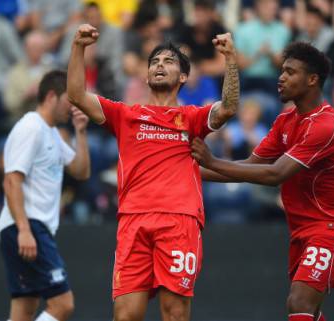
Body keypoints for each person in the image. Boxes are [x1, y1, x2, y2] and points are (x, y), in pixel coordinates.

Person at [67, 24, 239, 321]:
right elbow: (76, 95)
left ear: (183, 77)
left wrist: (231, 59)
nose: (160, 65)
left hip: (179, 221)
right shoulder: (125, 115)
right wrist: (78, 47)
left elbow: (228, 108)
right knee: (125, 316)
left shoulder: (192, 118)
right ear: (146, 76)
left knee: (173, 314)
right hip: (133, 221)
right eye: (155, 62)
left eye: (169, 62)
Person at [191, 42, 334, 321]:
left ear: (312, 80)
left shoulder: (325, 125)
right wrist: (187, 171)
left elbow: (275, 175)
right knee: (309, 309)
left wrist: (211, 162)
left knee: (299, 302)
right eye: (281, 70)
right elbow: (248, 167)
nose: (281, 77)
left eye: (290, 72)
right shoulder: (286, 119)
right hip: (303, 227)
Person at [0, 70, 90, 321]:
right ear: (51, 96)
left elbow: (81, 171)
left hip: (30, 227)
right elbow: (11, 180)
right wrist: (24, 229)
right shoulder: (31, 127)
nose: (72, 108)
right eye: (68, 101)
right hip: (28, 225)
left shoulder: (50, 132)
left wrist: (80, 132)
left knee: (24, 311)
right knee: (63, 303)